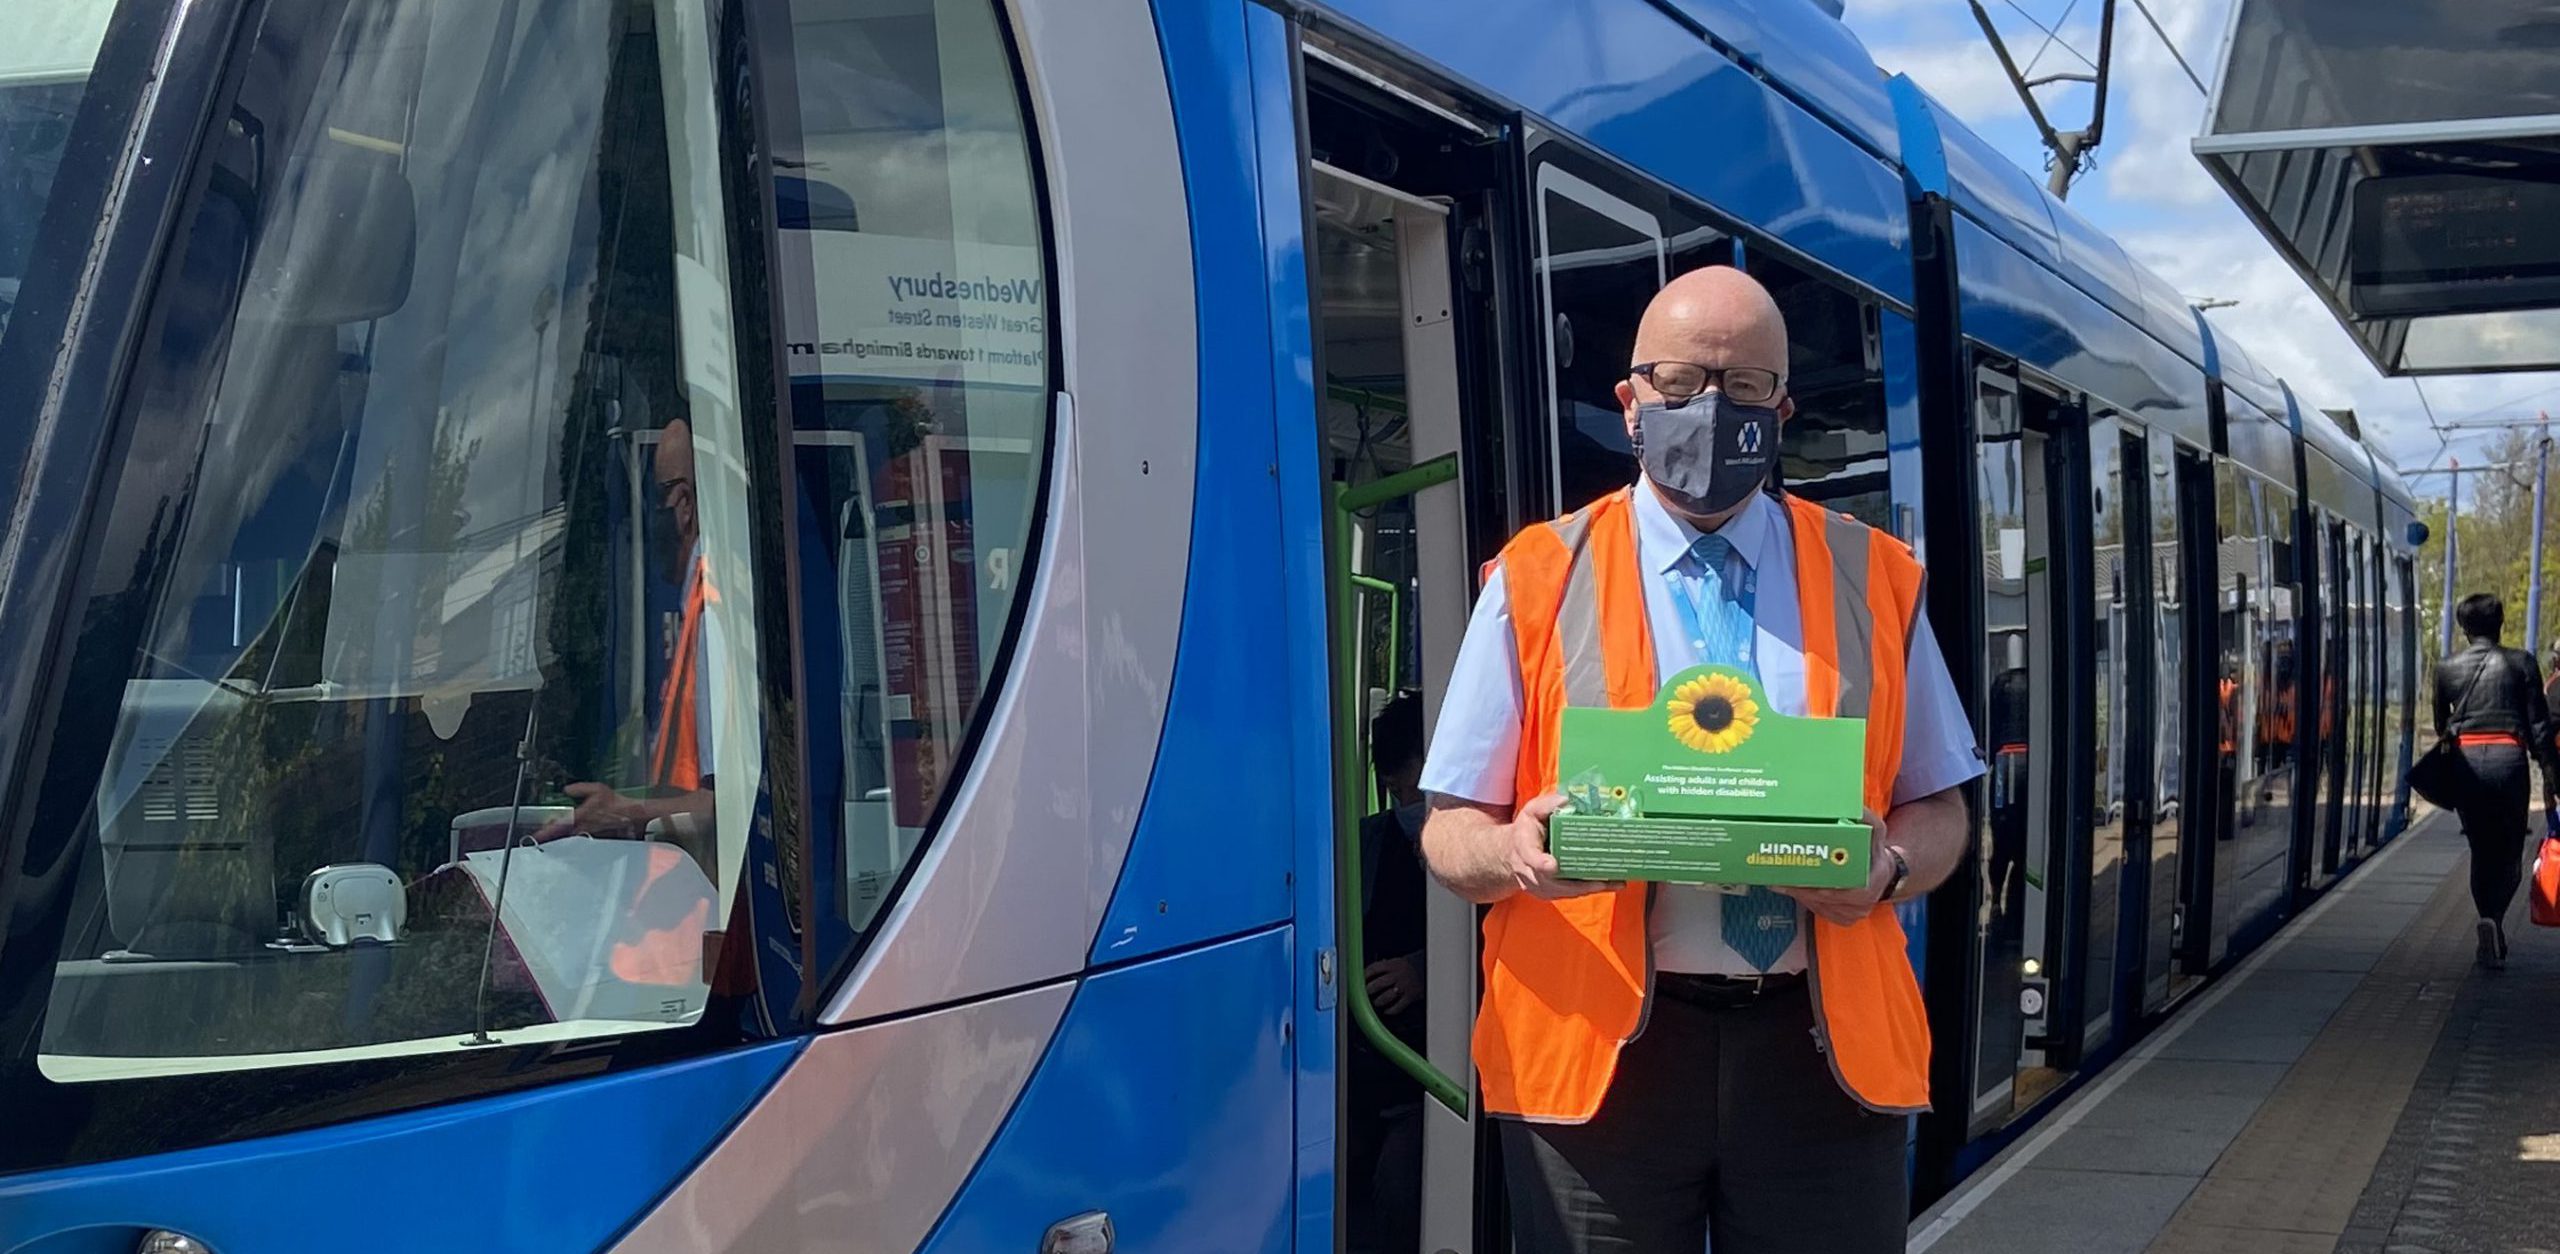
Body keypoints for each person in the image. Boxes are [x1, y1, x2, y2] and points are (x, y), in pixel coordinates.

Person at [1417, 265, 1982, 1253]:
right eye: (1679, 384)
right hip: (1603, 1066)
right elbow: (1449, 830)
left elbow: (1939, 808)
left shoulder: (1876, 576)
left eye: (1744, 386)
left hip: (1819, 1057)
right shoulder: (1536, 577)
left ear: (1783, 409)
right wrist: (1516, 854)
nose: (1710, 410)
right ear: (1630, 400)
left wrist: (1889, 870)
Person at [2432, 592, 2560, 968]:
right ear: (2501, 622)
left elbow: (2442, 726)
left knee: (2480, 849)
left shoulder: (2446, 668)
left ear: (2463, 627)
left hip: (2467, 764)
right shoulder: (2521, 663)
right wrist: (2552, 778)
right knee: (2508, 853)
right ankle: (2495, 918)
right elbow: (2539, 727)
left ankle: (2486, 916)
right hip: (2508, 761)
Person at [1346, 691, 1429, 1254]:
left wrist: (1423, 972)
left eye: (1417, 791)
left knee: (1402, 1191)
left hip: (1434, 1083)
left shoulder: (1493, 855)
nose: (1407, 805)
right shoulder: (1367, 845)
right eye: (1396, 792)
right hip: (1362, 1071)